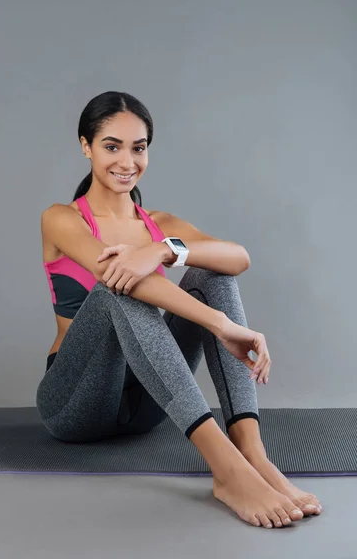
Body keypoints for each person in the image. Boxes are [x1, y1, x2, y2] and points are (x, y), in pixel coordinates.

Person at [36, 90, 322, 528]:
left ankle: (252, 454)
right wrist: (220, 325)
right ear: (85, 146)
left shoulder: (160, 225)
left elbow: (238, 257)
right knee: (118, 286)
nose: (127, 161)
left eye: (139, 147)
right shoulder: (61, 218)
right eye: (112, 146)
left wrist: (165, 250)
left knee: (210, 273)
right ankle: (226, 471)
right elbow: (116, 276)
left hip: (151, 402)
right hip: (75, 402)